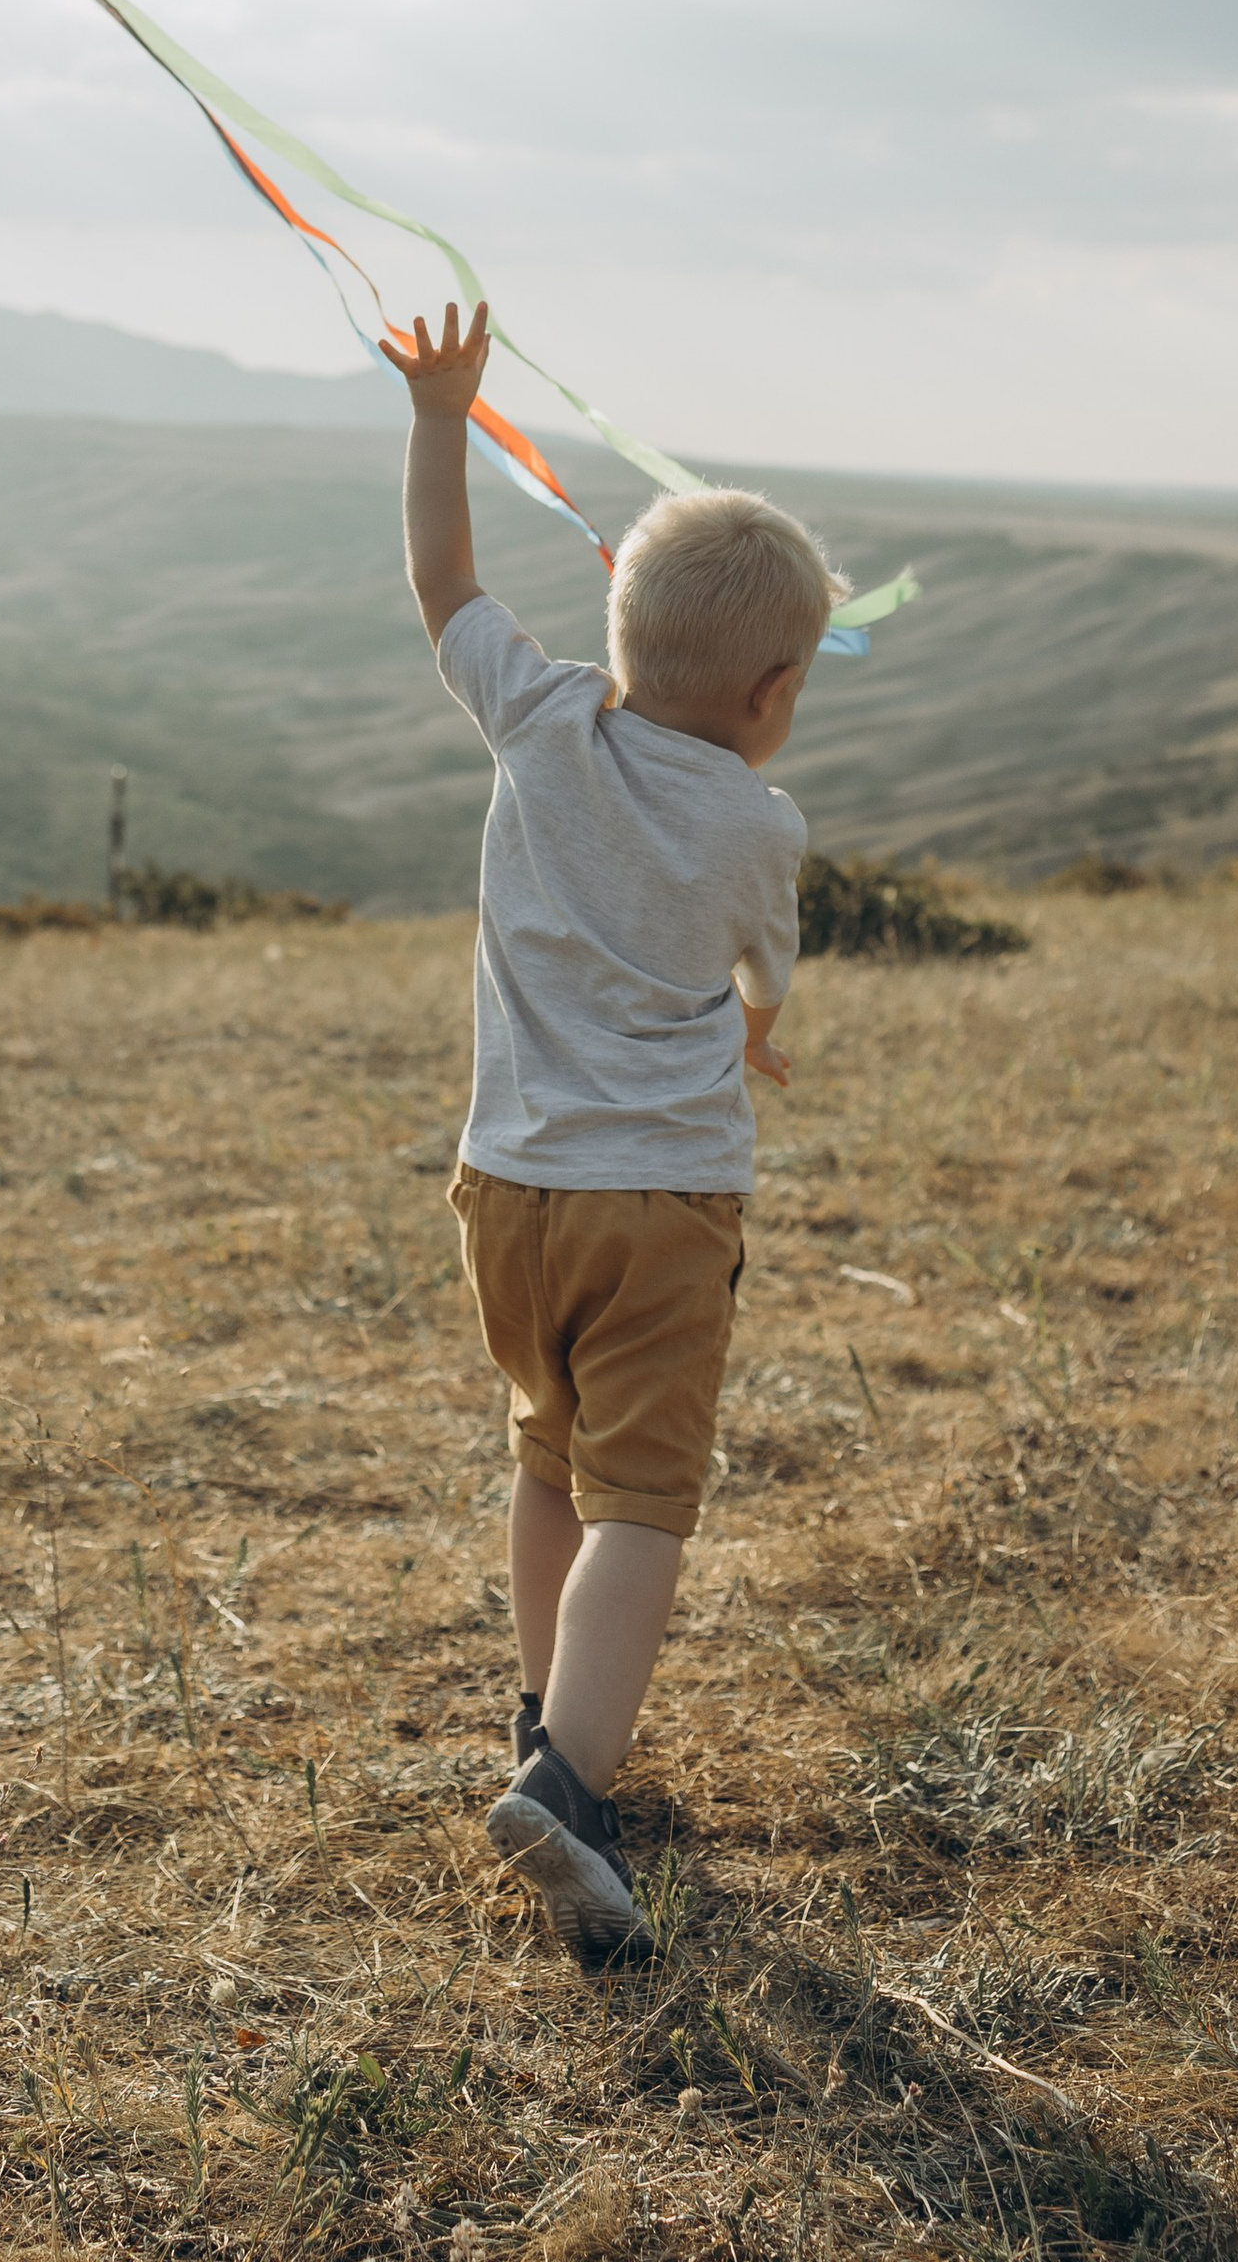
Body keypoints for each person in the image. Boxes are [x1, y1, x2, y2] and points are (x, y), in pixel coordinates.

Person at [378, 298, 840, 1971]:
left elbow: (446, 589)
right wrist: (758, 1043)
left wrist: (446, 415)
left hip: (506, 1192)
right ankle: (571, 1789)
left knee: (544, 1449)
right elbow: (757, 986)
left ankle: (538, 1725)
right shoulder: (759, 821)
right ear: (776, 692)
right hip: (663, 1207)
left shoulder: (542, 717)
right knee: (645, 1499)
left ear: (616, 619)